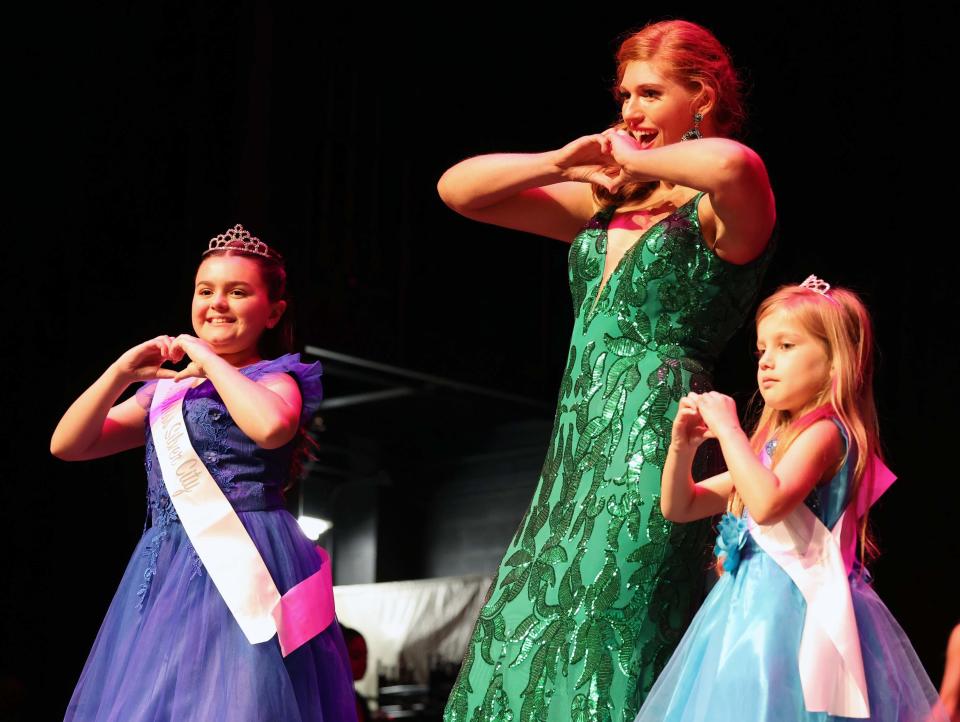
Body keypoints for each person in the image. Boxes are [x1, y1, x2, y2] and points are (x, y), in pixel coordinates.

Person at [439, 19, 777, 722]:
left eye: (651, 94)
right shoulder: (605, 203)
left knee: (613, 628)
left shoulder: (721, 210)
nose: (630, 111)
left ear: (702, 96)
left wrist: (638, 159)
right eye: (625, 94)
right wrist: (561, 160)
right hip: (574, 448)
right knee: (525, 634)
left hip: (654, 441)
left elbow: (736, 167)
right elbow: (458, 190)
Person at [53, 225, 356, 722]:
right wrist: (121, 373)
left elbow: (272, 427)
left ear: (273, 311)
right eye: (205, 290)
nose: (218, 303)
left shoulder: (277, 378)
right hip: (165, 561)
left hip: (249, 554)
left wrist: (210, 359)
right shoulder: (165, 393)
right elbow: (67, 444)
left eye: (238, 292)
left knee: (241, 699)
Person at [634, 277, 949, 721]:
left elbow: (766, 503)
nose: (766, 362)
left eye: (786, 346)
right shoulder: (769, 447)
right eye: (762, 350)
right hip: (744, 613)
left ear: (836, 362)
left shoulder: (826, 433)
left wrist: (728, 430)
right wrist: (681, 446)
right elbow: (680, 506)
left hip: (796, 614)